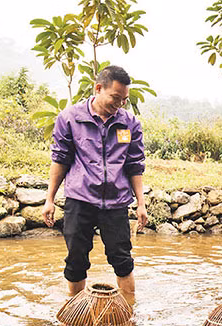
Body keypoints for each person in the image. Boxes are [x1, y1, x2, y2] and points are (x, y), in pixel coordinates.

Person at [43, 65, 147, 297]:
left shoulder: (129, 123)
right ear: (98, 88)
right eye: (115, 98)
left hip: (116, 202)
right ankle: (74, 311)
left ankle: (129, 315)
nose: (120, 104)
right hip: (80, 200)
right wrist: (49, 199)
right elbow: (60, 160)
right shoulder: (70, 118)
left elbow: (135, 165)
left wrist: (141, 203)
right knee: (76, 261)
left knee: (122, 260)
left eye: (124, 100)